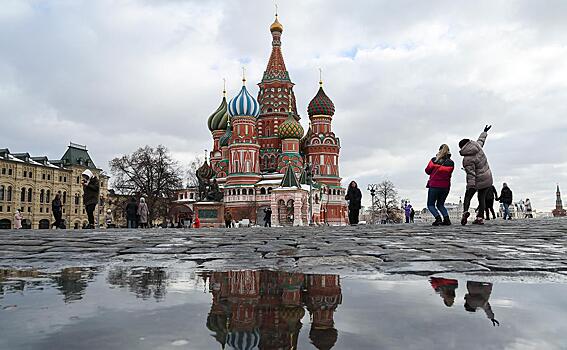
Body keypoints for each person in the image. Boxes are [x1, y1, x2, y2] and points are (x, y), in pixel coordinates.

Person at [459, 125, 494, 225]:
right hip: (487, 178)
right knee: (481, 198)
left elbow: (471, 174)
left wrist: (470, 186)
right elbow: (481, 140)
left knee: (467, 197)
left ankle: (465, 211)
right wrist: (484, 132)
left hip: (477, 180)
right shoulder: (477, 147)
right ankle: (480, 218)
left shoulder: (467, 159)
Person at [425, 144, 455, 226]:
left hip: (434, 185)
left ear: (439, 150)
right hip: (446, 186)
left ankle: (438, 218)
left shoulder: (434, 160)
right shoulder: (451, 163)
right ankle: (447, 219)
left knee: (430, 205)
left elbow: (427, 171)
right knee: (440, 204)